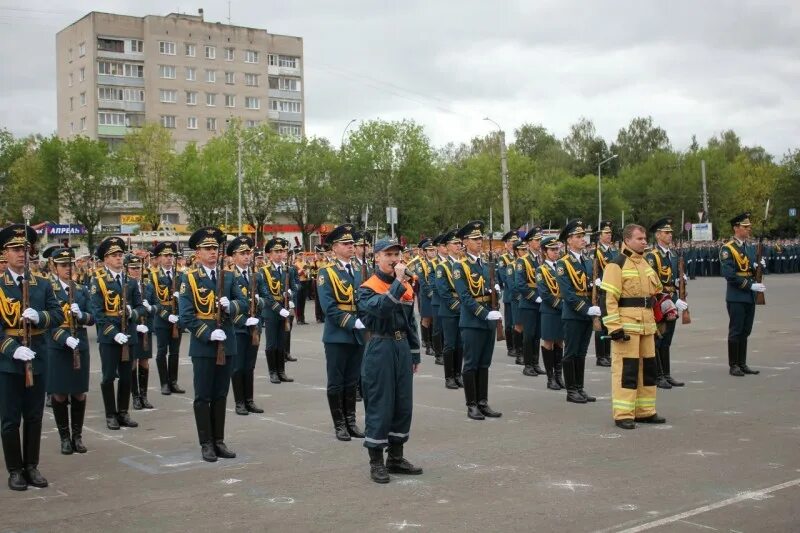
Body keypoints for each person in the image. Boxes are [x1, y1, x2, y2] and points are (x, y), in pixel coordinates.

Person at [0, 225, 64, 491]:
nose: (21, 254)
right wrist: (9, 347)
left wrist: (41, 317)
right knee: (10, 418)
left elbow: (57, 315)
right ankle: (15, 469)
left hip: (38, 355)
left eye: (25, 249)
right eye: (15, 249)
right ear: (4, 252)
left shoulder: (42, 283)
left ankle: (31, 466)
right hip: (8, 361)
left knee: (35, 416)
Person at [178, 227, 246, 462]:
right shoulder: (189, 278)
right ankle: (206, 443)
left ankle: (219, 440)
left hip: (227, 341)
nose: (212, 253)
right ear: (197, 252)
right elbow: (186, 316)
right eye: (207, 249)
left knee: (220, 394)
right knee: (203, 395)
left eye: (215, 249)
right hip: (204, 344)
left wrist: (231, 306)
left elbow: (243, 302)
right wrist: (207, 334)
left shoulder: (228, 276)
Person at [357, 238, 422, 484]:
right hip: (380, 346)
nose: (394, 259)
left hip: (401, 346)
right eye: (389, 255)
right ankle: (376, 462)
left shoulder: (404, 285)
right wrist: (397, 283)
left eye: (397, 254)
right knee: (380, 403)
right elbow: (380, 309)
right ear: (377, 258)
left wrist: (414, 352)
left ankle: (396, 457)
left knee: (403, 404)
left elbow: (410, 321)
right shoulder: (367, 287)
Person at [600, 223, 666, 429]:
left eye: (645, 238)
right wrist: (614, 328)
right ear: (627, 240)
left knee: (647, 370)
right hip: (627, 327)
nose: (644, 242)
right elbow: (608, 299)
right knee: (626, 371)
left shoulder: (645, 263)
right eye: (639, 239)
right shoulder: (616, 264)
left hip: (646, 325)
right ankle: (623, 413)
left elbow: (655, 293)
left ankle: (645, 411)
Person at [90, 237, 145, 430]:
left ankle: (123, 412)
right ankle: (110, 414)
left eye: (120, 255)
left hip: (128, 333)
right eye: (114, 255)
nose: (119, 258)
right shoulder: (99, 281)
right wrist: (113, 333)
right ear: (105, 259)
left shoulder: (130, 281)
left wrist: (133, 313)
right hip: (109, 335)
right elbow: (97, 312)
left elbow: (141, 307)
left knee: (127, 375)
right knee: (108, 376)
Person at [317, 224, 366, 441]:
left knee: (352, 380)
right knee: (336, 381)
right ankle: (339, 424)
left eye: (352, 244)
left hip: (358, 333)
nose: (351, 247)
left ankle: (351, 421)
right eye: (346, 244)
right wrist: (352, 322)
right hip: (338, 334)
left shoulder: (359, 270)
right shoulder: (325, 272)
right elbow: (328, 307)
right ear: (334, 247)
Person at [453, 221, 503, 420]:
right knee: (472, 364)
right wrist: (485, 313)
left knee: (484, 363)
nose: (479, 242)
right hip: (472, 321)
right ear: (465, 241)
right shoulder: (460, 266)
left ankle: (483, 402)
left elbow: (491, 287)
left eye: (480, 238)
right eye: (475, 239)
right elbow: (464, 297)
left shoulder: (486, 264)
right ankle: (471, 404)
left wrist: (496, 291)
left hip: (488, 320)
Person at [47, 247, 94, 455]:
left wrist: (81, 315)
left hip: (80, 344)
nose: (67, 268)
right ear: (54, 267)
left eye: (70, 264)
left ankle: (77, 436)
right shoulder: (49, 290)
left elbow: (93, 318)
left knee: (79, 392)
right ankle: (64, 438)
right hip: (58, 345)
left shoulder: (82, 290)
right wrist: (64, 338)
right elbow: (47, 322)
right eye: (63, 265)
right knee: (59, 393)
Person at [555, 219, 599, 404]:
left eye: (583, 236)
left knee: (581, 353)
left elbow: (590, 287)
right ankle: (571, 390)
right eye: (579, 236)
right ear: (569, 240)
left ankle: (580, 388)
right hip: (574, 313)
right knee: (571, 352)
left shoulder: (587, 260)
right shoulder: (563, 263)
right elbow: (568, 294)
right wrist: (587, 309)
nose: (583, 239)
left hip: (588, 312)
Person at [720, 212, 765, 377]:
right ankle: (734, 365)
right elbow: (729, 275)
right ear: (736, 228)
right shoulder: (727, 248)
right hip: (737, 296)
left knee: (746, 330)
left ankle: (742, 363)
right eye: (745, 227)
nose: (748, 229)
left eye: (749, 227)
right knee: (736, 330)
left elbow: (753, 270)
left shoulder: (749, 247)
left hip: (749, 296)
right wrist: (751, 285)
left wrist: (760, 266)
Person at [645, 217, 688, 388]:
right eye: (666, 232)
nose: (670, 235)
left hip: (673, 300)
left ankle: (667, 374)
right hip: (660, 303)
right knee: (658, 339)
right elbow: (655, 284)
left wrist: (680, 283)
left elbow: (673, 280)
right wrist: (673, 300)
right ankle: (658, 375)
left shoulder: (673, 254)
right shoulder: (652, 256)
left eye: (670, 232)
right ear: (657, 235)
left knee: (667, 340)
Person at [226, 236, 262, 416]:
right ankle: (239, 401)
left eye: (248, 253)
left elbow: (266, 298)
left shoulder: (257, 275)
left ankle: (249, 400)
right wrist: (242, 320)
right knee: (238, 366)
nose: (247, 256)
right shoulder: (229, 276)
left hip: (254, 326)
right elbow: (228, 305)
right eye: (243, 253)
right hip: (238, 327)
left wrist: (259, 302)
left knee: (250, 366)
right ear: (233, 256)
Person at [149, 242, 185, 396]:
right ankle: (164, 382)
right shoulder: (154, 276)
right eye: (166, 256)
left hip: (177, 318)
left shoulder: (180, 275)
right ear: (158, 258)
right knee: (162, 351)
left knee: (175, 352)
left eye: (171, 255)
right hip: (162, 318)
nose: (169, 258)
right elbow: (154, 301)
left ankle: (173, 381)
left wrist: (180, 299)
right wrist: (166, 315)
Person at [434, 230, 464, 389]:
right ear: (447, 247)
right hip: (449, 309)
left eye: (460, 243)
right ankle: (449, 377)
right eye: (455, 243)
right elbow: (443, 291)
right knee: (450, 344)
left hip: (463, 307)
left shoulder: (462, 264)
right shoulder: (442, 267)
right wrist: (456, 306)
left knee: (460, 344)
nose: (459, 246)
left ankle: (458, 374)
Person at [125, 254, 155, 410]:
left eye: (138, 268)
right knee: (133, 362)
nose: (136, 271)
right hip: (132, 328)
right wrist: (134, 325)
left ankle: (144, 396)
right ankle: (135, 396)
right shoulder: (125, 285)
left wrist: (150, 308)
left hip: (146, 328)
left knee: (144, 361)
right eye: (133, 268)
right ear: (127, 269)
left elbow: (158, 306)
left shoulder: (148, 285)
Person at [536, 236, 565, 390]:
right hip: (549, 310)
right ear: (545, 252)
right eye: (552, 250)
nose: (555, 252)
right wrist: (561, 305)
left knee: (560, 341)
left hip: (561, 309)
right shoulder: (541, 270)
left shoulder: (561, 266)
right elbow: (544, 293)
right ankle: (550, 377)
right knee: (548, 342)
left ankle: (559, 375)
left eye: (556, 249)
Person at [593, 220, 617, 367]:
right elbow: (592, 270)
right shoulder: (596, 252)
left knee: (609, 323)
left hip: (612, 290)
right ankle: (600, 356)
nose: (609, 235)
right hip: (601, 292)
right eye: (606, 233)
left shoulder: (613, 251)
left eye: (610, 233)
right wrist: (596, 281)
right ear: (600, 235)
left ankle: (607, 354)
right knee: (600, 324)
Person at [498, 230, 522, 360]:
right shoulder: (503, 259)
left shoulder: (520, 257)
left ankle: (518, 345)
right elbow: (504, 277)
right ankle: (510, 347)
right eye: (512, 242)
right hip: (509, 294)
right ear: (506, 244)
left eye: (516, 241)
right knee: (510, 322)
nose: (514, 244)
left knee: (518, 321)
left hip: (521, 294)